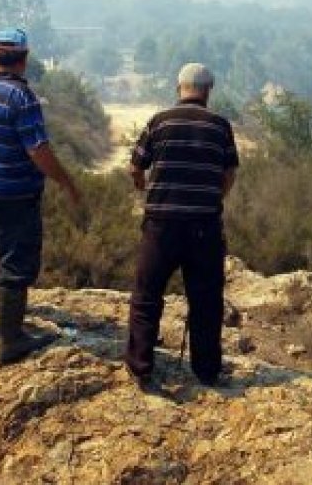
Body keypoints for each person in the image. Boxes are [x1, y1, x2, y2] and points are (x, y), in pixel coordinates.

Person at [0, 28, 84, 365]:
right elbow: (37, 149)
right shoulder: (22, 98)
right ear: (24, 61)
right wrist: (66, 183)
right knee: (15, 262)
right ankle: (11, 339)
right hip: (16, 194)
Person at [125, 62, 239, 388]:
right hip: (204, 226)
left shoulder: (159, 122)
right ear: (208, 91)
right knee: (206, 300)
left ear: (179, 87)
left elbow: (135, 167)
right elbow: (229, 173)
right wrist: (215, 197)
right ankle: (206, 370)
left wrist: (145, 189)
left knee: (147, 295)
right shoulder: (220, 127)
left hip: (161, 224)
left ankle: (140, 366)